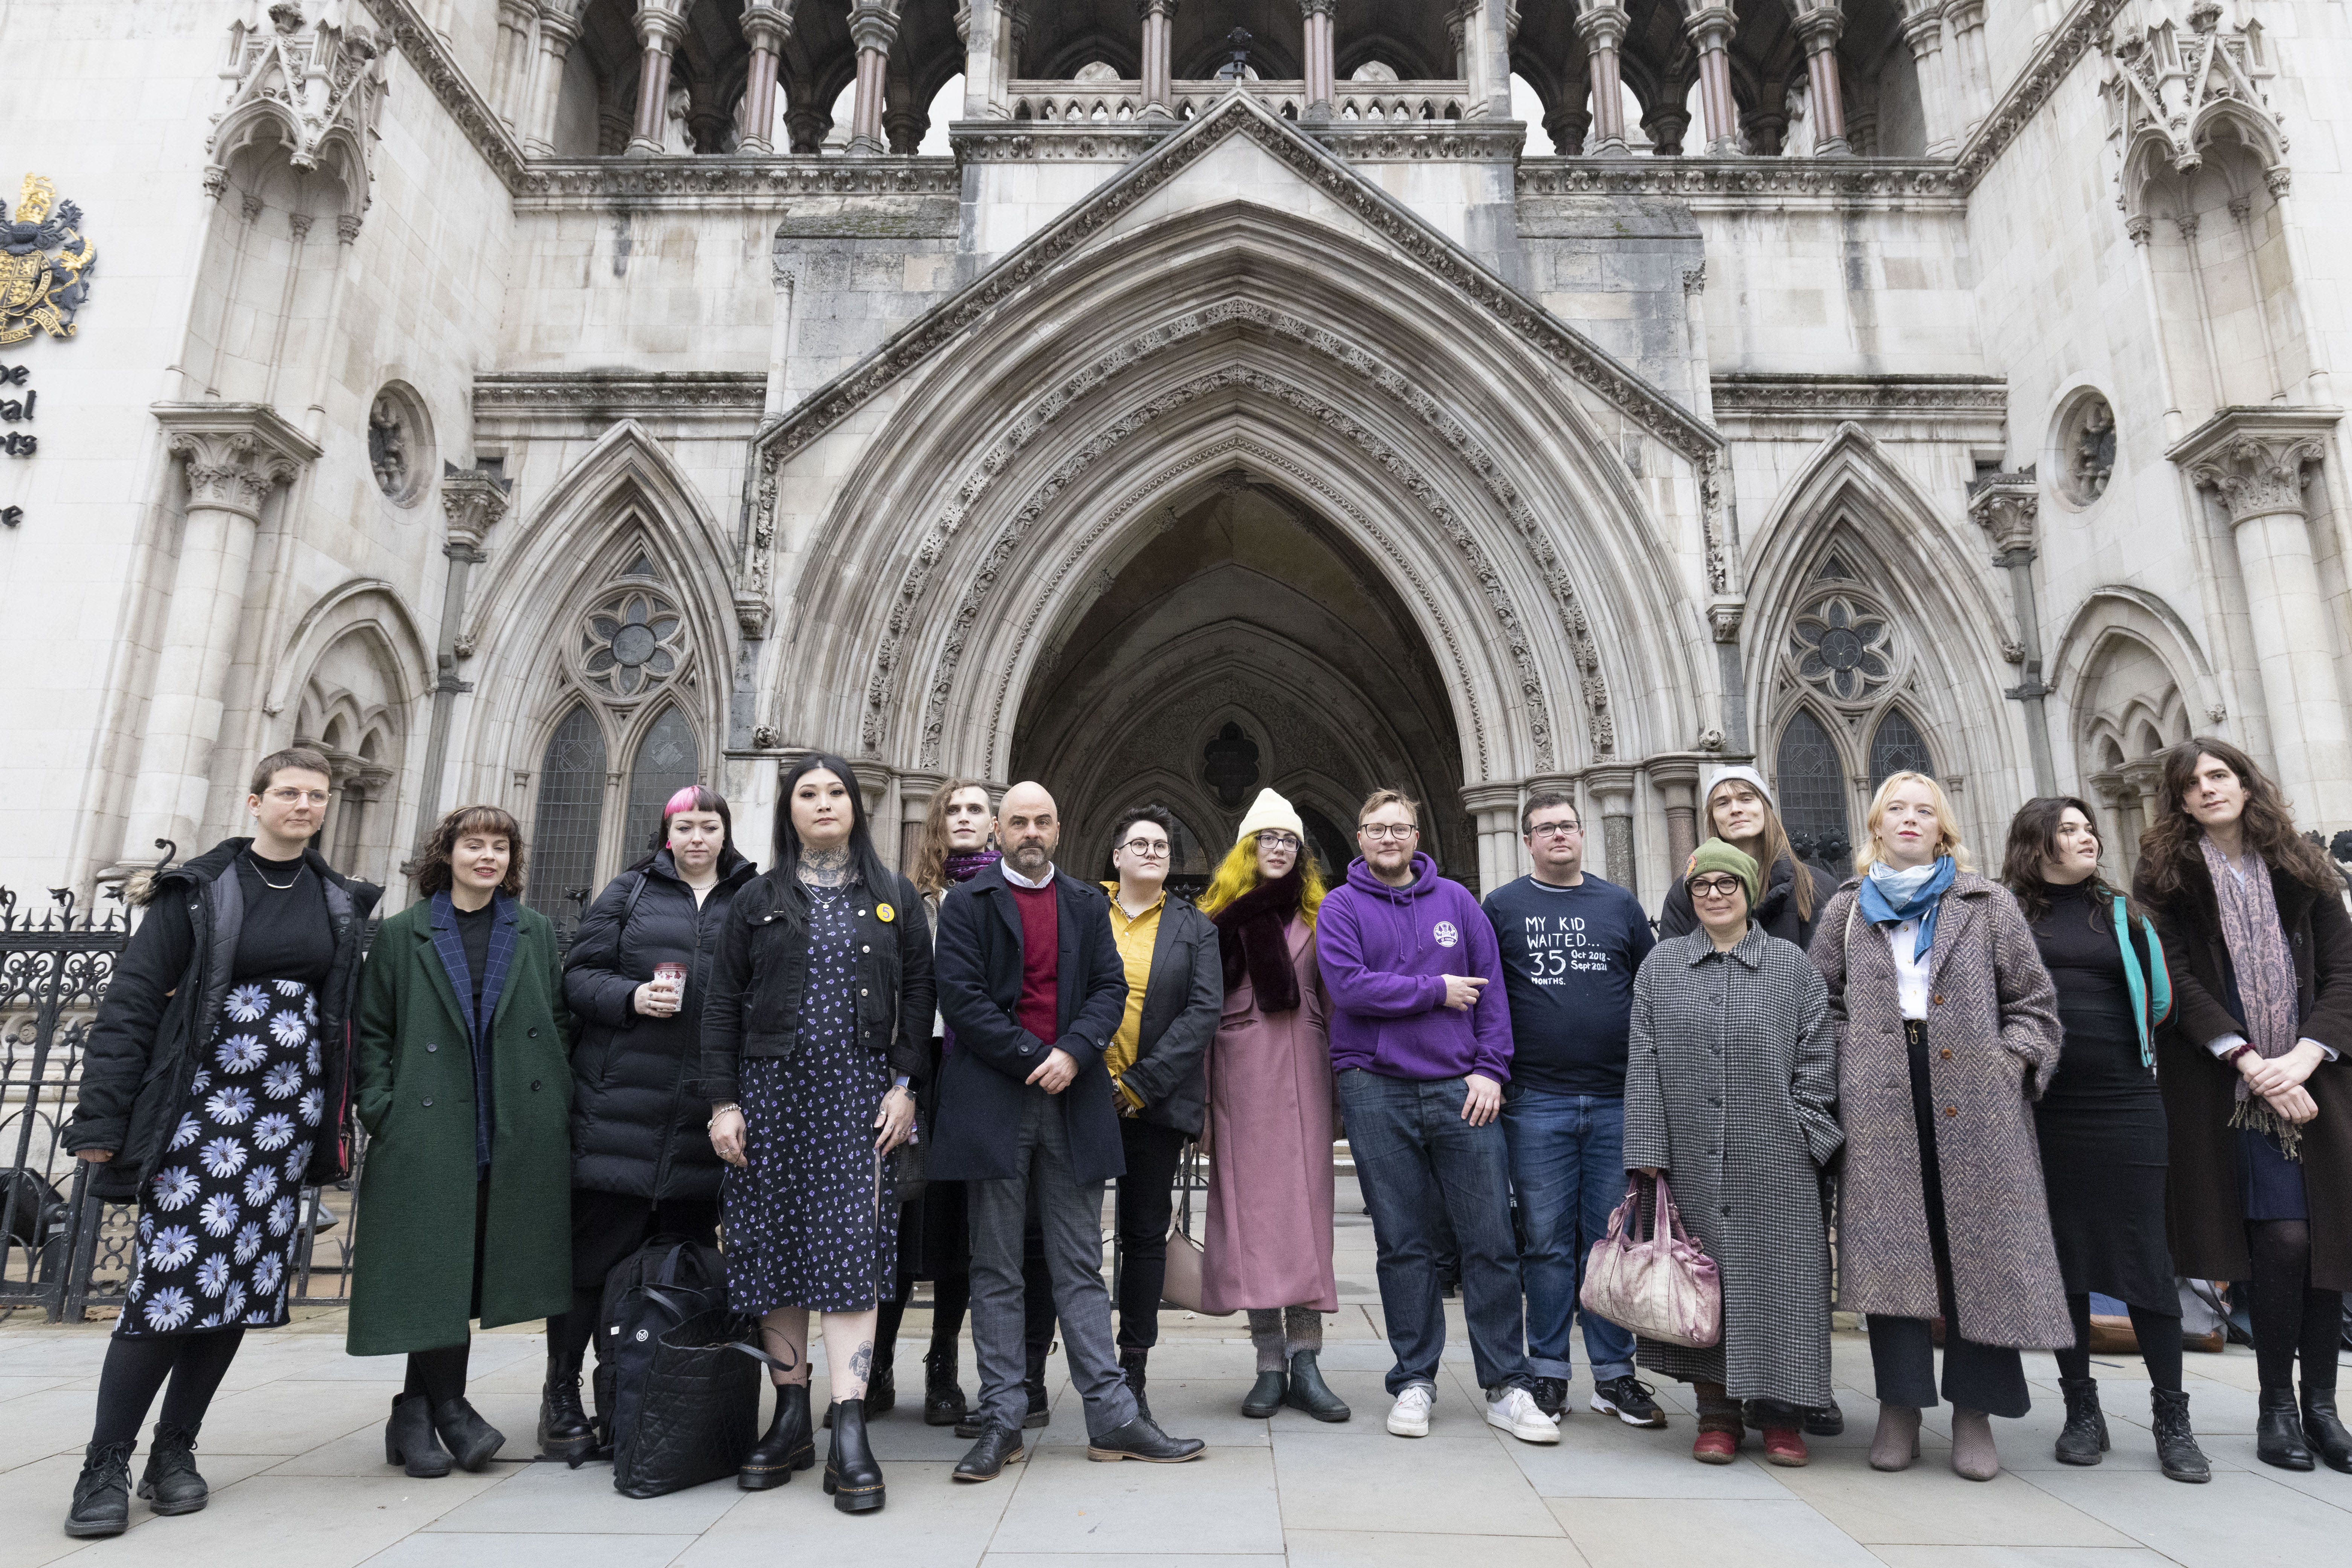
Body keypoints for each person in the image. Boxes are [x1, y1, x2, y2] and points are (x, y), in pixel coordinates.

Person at [60, 749, 381, 1538]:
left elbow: (339, 1013)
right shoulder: (201, 889)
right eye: (290, 793)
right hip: (200, 1114)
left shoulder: (337, 899)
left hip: (283, 1124)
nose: (304, 805)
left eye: (317, 794)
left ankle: (176, 1449)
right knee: (169, 1282)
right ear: (256, 801)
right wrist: (100, 1122)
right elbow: (133, 1000)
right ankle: (105, 1461)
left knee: (237, 1286)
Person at [931, 781, 1205, 1481]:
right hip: (994, 1099)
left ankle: (1111, 1415)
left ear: (1059, 828)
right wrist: (1033, 1056)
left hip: (1073, 1100)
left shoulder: (1086, 903)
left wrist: (1072, 1053)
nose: (1029, 831)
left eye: (1042, 821)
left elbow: (1108, 990)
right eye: (1017, 820)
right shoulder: (967, 902)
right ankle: (1001, 1417)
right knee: (995, 1266)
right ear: (998, 829)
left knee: (1080, 1263)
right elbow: (958, 997)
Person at [1810, 772, 2067, 1481]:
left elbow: (2033, 1003)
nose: (1909, 819)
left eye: (1923, 810)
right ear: (1874, 825)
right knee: (1892, 1244)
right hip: (1878, 1091)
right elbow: (1819, 1000)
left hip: (1974, 1091)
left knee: (1974, 1246)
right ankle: (1898, 1406)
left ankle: (1973, 1412)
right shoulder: (1844, 908)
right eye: (1895, 808)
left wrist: (2007, 1061)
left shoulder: (1986, 903)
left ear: (1941, 828)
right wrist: (1847, 1062)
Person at [702, 754, 930, 1513]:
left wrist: (905, 1087)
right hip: (770, 1096)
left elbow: (921, 994)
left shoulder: (893, 895)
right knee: (775, 1249)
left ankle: (850, 1420)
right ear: (788, 808)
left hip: (858, 1102)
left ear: (857, 807)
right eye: (808, 793)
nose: (824, 803)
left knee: (849, 1250)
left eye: (836, 792)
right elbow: (722, 1006)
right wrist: (723, 1103)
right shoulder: (754, 899)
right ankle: (789, 1414)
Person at [2132, 739, 2352, 1473]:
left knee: (2326, 1239)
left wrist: (2304, 1054)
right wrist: (2253, 1063)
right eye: (2191, 783)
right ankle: (2277, 1405)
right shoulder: (2166, 876)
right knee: (2284, 1239)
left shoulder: (2302, 866)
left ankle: (2322, 1405)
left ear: (2245, 783)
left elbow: (2343, 968)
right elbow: (2177, 979)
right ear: (2178, 800)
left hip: (2315, 1077)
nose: (2207, 788)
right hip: (2228, 1089)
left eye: (2218, 775)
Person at [1317, 788, 1557, 1446]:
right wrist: (1434, 991)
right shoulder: (1339, 908)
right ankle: (1414, 1379)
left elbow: (1491, 993)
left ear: (1415, 833)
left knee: (1489, 1240)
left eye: (1398, 826)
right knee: (1402, 1242)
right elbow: (1348, 988)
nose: (1387, 837)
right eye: (1375, 827)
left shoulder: (1456, 902)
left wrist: (1490, 1069)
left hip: (1461, 1087)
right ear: (1359, 836)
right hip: (1374, 1086)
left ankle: (1507, 1383)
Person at [347, 806, 574, 1480]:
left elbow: (556, 1018)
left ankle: (416, 1411)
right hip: (428, 1120)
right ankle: (447, 1408)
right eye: (474, 844)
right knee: (432, 1267)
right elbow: (375, 1030)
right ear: (446, 854)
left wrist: (553, 1099)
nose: (488, 857)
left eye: (500, 846)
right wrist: (381, 1108)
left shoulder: (532, 930)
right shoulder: (401, 933)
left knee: (463, 1267)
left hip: (509, 1121)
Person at [541, 786, 756, 1462]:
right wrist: (631, 995)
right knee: (590, 1264)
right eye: (684, 826)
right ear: (666, 833)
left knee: (681, 1268)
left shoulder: (750, 900)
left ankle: (655, 1397)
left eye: (708, 826)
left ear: (725, 833)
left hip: (702, 1117)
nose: (697, 837)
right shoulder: (629, 893)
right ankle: (560, 1394)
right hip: (618, 1112)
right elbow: (577, 977)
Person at [2000, 796, 2208, 1483]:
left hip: (2124, 1100)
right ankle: (2080, 1409)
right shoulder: (2008, 916)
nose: (2084, 837)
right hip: (2045, 1105)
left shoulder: (2120, 913)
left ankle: (2170, 1416)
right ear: (2036, 843)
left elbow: (2161, 1004)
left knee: (2143, 1254)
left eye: (2088, 829)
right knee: (2066, 1256)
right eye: (2067, 830)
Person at [1625, 842, 1842, 1467]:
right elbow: (1642, 1064)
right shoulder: (1660, 966)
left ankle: (1780, 1416)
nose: (1714, 894)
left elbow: (1815, 1057)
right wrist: (1646, 1149)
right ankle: (1716, 1413)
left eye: (1727, 883)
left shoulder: (1789, 965)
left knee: (1782, 1285)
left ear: (1748, 890)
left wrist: (1805, 1132)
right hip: (1689, 1155)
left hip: (1777, 1154)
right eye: (1701, 886)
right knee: (1705, 1289)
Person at [1480, 789, 1662, 1428]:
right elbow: (1488, 1001)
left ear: (1581, 833)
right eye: (1544, 827)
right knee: (1547, 1245)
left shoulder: (1618, 905)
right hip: (1536, 1102)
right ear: (1525, 839)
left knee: (1608, 1242)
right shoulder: (1501, 907)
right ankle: (1548, 1372)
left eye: (1566, 825)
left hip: (1615, 1099)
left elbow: (1651, 992)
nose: (1558, 834)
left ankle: (1614, 1376)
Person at [1195, 789, 1347, 1423]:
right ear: (1246, 850)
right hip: (1240, 1084)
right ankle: (1267, 1362)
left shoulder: (1321, 917)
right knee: (1255, 1221)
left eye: (1288, 840)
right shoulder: (1214, 921)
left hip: (1305, 1078)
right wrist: (1200, 1107)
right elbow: (1198, 1014)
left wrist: (1344, 1093)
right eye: (1267, 839)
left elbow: (1338, 1007)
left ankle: (1307, 1362)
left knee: (1306, 1219)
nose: (1279, 848)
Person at [1095, 803, 1220, 1421]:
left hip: (1153, 1103)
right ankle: (1041, 1366)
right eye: (1138, 842)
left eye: (1161, 845)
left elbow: (1202, 1013)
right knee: (1057, 1237)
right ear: (1115, 855)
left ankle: (1132, 1368)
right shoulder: (1085, 913)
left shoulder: (1194, 927)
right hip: (1080, 1096)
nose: (1151, 851)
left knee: (1144, 1235)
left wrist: (1140, 1084)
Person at [883, 777, 995, 1429]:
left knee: (955, 1230)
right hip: (914, 1069)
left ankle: (943, 1365)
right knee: (899, 1221)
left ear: (994, 823)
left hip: (975, 1072)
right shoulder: (905, 897)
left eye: (975, 808)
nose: (962, 817)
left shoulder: (1003, 893)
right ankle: (875, 1367)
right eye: (950, 808)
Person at [1657, 766, 1839, 948]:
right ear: (1713, 817)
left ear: (1765, 808)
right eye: (1723, 803)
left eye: (1746, 799)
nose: (1735, 809)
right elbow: (1672, 965)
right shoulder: (1689, 891)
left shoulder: (1818, 887)